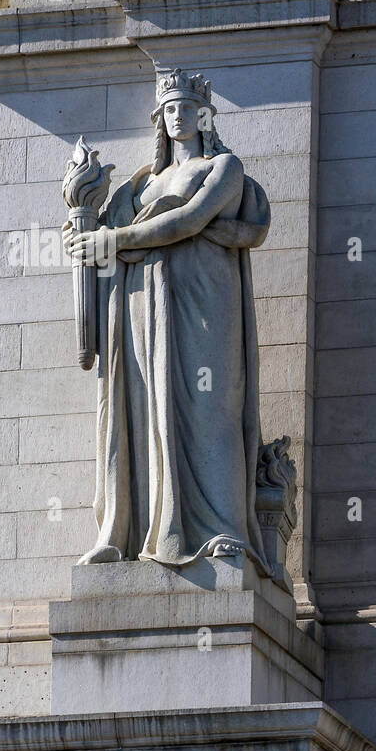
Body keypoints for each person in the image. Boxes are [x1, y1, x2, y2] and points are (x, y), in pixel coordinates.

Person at [64, 69, 273, 571]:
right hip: (143, 305)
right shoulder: (140, 186)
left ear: (205, 116)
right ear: (160, 120)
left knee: (210, 407)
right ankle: (142, 527)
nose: (180, 116)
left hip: (205, 300)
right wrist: (84, 227)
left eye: (188, 107)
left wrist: (112, 242)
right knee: (147, 410)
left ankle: (224, 531)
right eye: (170, 109)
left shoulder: (224, 166)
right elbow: (98, 240)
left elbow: (189, 221)